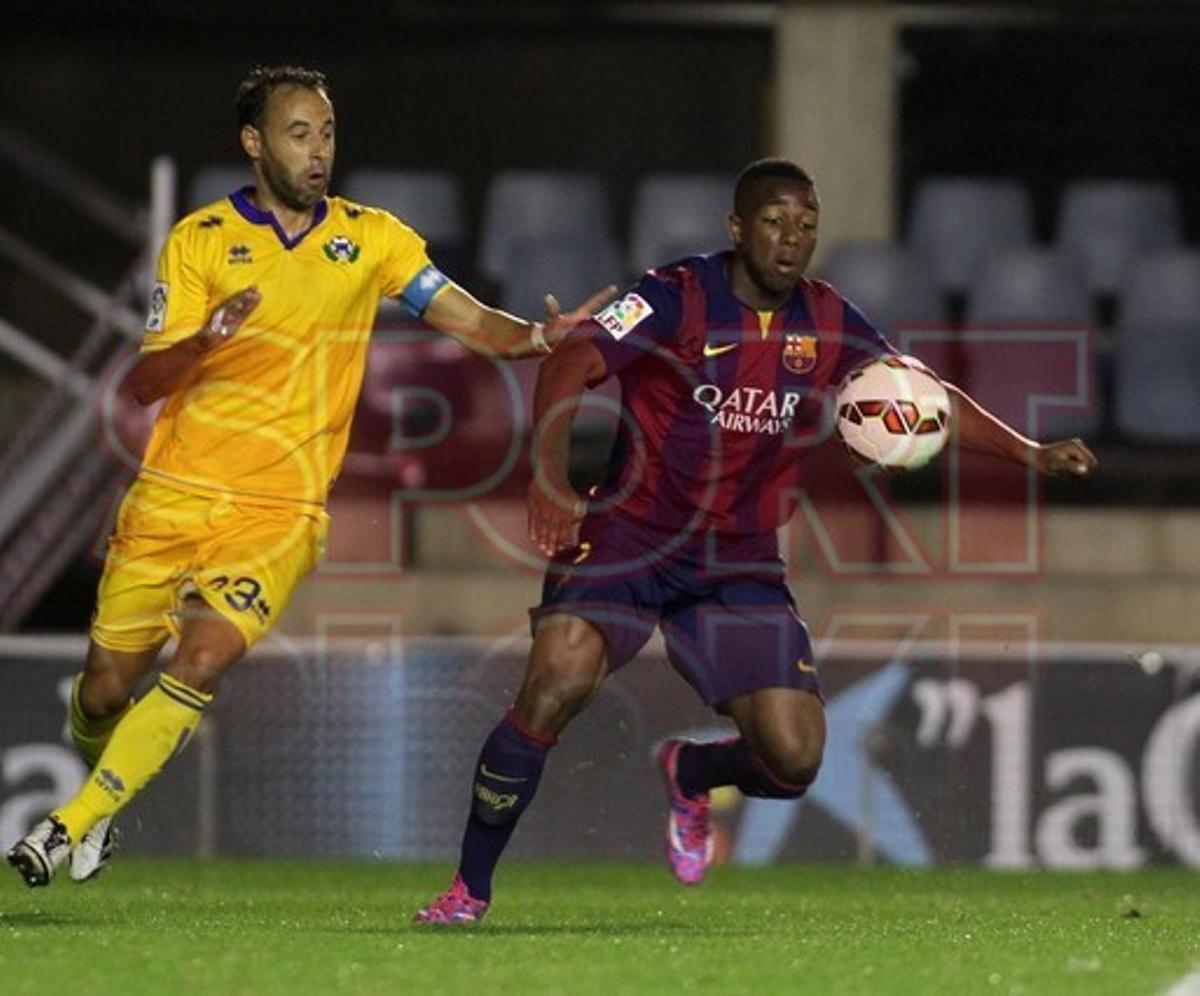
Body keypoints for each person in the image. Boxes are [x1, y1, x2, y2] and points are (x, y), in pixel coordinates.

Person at [415, 158, 1097, 923]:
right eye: (775, 222)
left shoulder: (829, 318)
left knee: (796, 756)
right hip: (631, 537)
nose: (791, 239)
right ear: (737, 228)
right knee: (556, 683)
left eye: (806, 225)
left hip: (736, 559)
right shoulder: (673, 296)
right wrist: (549, 477)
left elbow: (922, 400)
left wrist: (1031, 453)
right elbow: (573, 361)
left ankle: (692, 769)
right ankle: (468, 888)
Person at [6, 65, 611, 889]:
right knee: (105, 693)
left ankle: (68, 824)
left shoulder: (372, 238)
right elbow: (143, 385)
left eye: (326, 132)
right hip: (173, 495)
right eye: (299, 133)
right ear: (254, 143)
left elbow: (470, 320)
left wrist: (537, 338)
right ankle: (98, 782)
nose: (318, 151)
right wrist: (204, 340)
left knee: (204, 661)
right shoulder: (200, 241)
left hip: (281, 510)